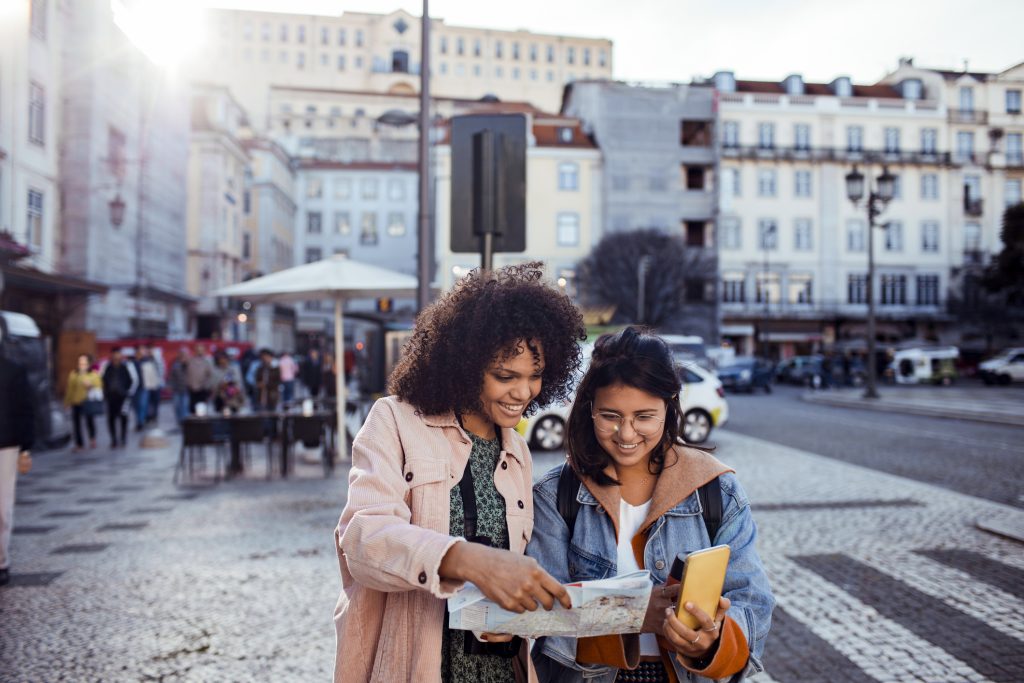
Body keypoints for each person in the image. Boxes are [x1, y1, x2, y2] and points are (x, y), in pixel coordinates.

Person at [333, 263, 587, 683]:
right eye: (505, 376)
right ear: (466, 366)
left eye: (535, 376)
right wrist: (468, 561)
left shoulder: (518, 451)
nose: (523, 392)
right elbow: (362, 540)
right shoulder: (395, 421)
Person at [527, 327, 774, 683]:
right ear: (589, 408)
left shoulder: (718, 489)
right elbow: (541, 614)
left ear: (670, 405)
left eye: (644, 417)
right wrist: (630, 614)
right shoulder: (557, 493)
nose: (626, 434)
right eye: (610, 416)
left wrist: (709, 643)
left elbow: (753, 600)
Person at [0, 343, 35, 586]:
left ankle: (1, 560)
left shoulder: (13, 371)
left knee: (2, 506)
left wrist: (25, 448)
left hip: (6, 445)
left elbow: (25, 410)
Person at [64, 353, 101, 451]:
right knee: (76, 424)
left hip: (88, 401)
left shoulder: (93, 374)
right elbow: (70, 389)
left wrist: (91, 385)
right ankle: (79, 443)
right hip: (76, 402)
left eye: (84, 363)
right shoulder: (74, 374)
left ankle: (92, 438)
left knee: (90, 422)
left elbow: (99, 387)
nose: (82, 365)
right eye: (80, 363)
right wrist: (67, 401)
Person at [101, 348, 137, 448]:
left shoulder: (126, 366)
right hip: (111, 397)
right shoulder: (107, 367)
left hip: (123, 397)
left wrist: (128, 393)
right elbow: (102, 380)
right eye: (114, 354)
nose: (116, 357)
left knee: (124, 417)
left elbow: (133, 380)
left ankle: (123, 438)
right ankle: (113, 439)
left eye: (118, 354)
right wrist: (105, 393)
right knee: (111, 419)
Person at [134, 345, 162, 430]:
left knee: (143, 404)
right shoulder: (133, 362)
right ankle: (139, 419)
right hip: (135, 387)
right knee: (136, 406)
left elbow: (155, 373)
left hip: (144, 387)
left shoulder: (148, 362)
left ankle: (141, 422)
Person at [186, 343, 215, 413]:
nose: (199, 352)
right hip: (192, 389)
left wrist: (207, 386)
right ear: (195, 351)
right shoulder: (190, 361)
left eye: (201, 350)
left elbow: (211, 375)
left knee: (201, 409)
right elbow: (187, 374)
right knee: (192, 409)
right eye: (198, 350)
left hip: (203, 390)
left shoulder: (207, 361)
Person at [167, 347, 191, 425]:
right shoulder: (175, 364)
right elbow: (171, 377)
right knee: (176, 406)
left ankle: (185, 423)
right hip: (176, 389)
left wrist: (186, 363)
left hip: (186, 389)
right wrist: (170, 385)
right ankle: (179, 422)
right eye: (181, 354)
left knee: (184, 407)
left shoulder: (190, 364)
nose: (183, 356)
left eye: (184, 354)